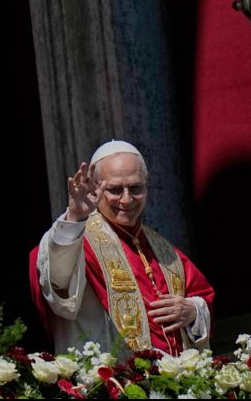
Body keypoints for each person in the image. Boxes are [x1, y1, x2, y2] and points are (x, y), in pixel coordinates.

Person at [29, 140, 215, 356]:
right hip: (111, 377)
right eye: (115, 190)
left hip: (173, 380)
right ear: (95, 189)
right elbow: (57, 285)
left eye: (135, 188)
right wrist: (75, 217)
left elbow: (202, 296)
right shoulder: (76, 239)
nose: (126, 200)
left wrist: (192, 310)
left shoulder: (163, 250)